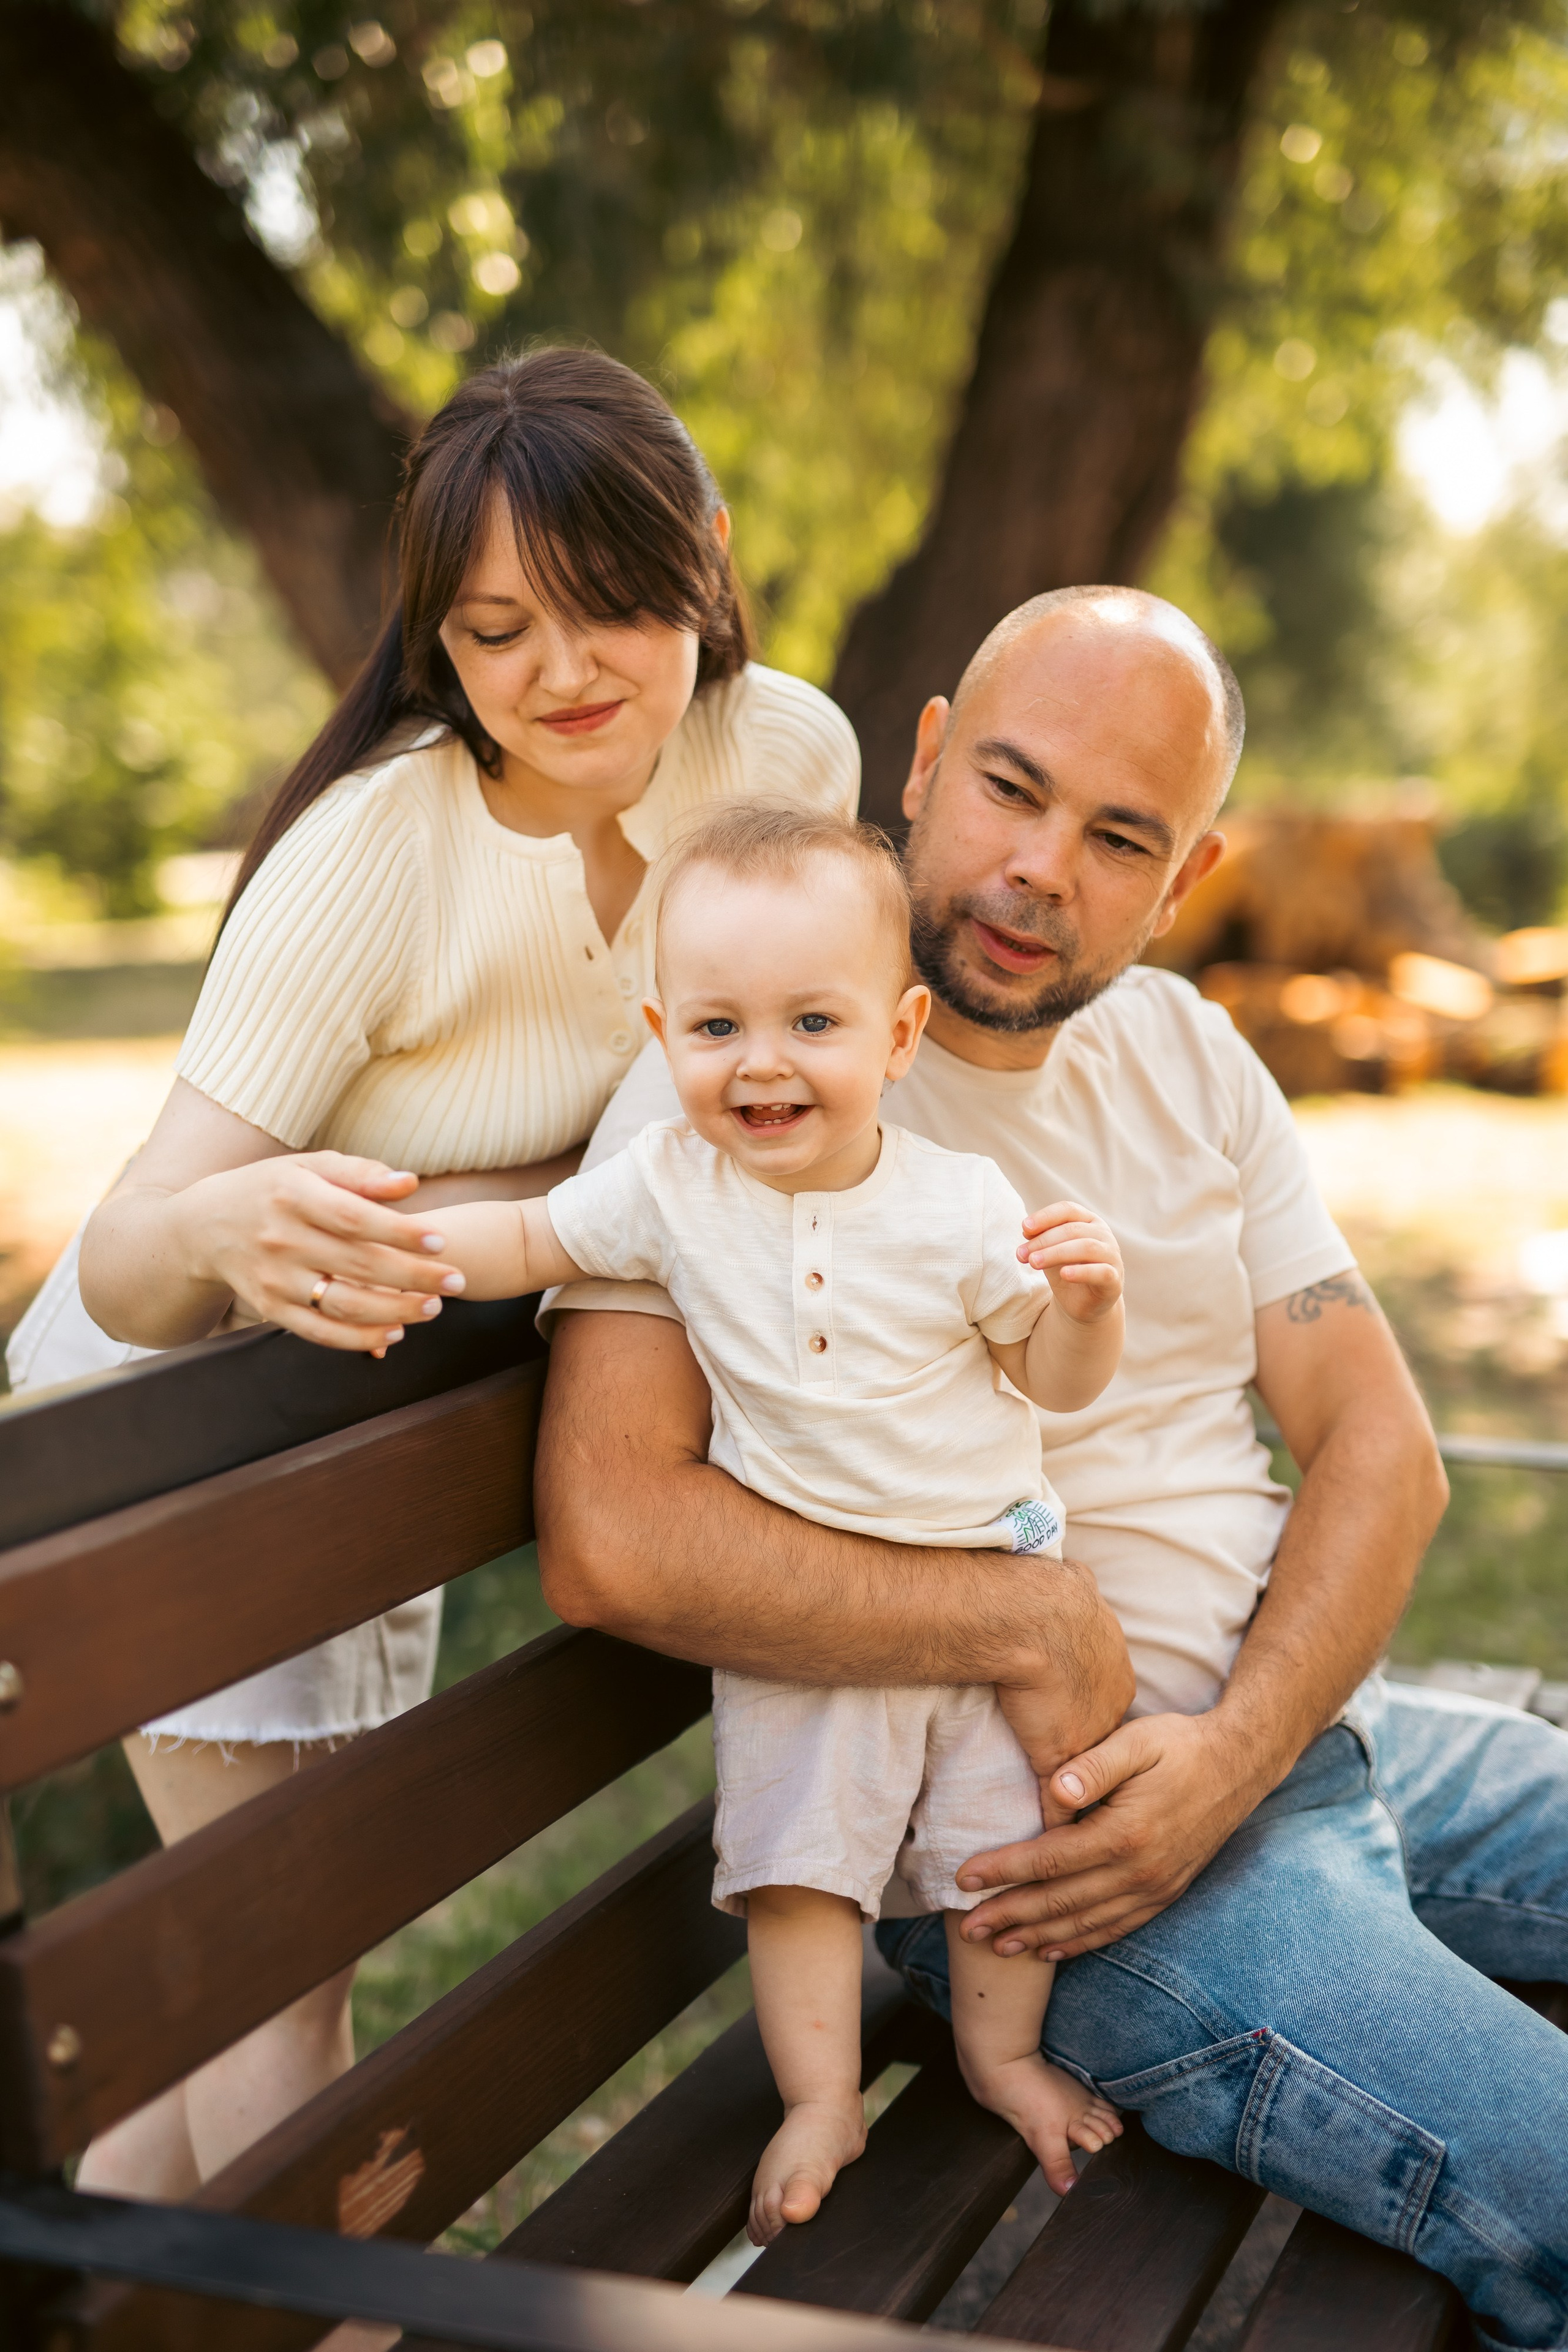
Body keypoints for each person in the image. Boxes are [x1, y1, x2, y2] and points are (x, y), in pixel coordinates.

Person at [535, 587, 1568, 2347]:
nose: (1039, 871)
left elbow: (1383, 1449)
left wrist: (1241, 1746)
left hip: (1299, 1735)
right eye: (1010, 789)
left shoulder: (1188, 1057)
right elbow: (612, 1537)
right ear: (927, 762)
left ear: (1189, 878)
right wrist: (1030, 1626)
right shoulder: (754, 1086)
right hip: (1050, 1857)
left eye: (1118, 839)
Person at [9, 348, 857, 2199]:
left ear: (708, 556)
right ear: (439, 647)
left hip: (373, 1379)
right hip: (183, 1418)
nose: (560, 676)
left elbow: (687, 1140)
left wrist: (492, 1180)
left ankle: (90, 2309)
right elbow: (138, 1257)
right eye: (494, 633)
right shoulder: (374, 857)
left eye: (614, 605)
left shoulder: (782, 752)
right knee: (282, 2010)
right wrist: (230, 1229)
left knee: (265, 1992)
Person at [415, 802, 1126, 2239]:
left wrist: (1086, 1310)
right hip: (805, 1624)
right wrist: (393, 1243)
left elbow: (1047, 1376)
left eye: (812, 1020)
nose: (762, 1064)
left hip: (986, 1580)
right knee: (800, 1874)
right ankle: (821, 2095)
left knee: (1002, 1859)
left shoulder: (957, 1205)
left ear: (899, 1033)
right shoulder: (668, 1193)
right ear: (661, 1030)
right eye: (717, 1027)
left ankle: (998, 2058)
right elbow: (526, 1240)